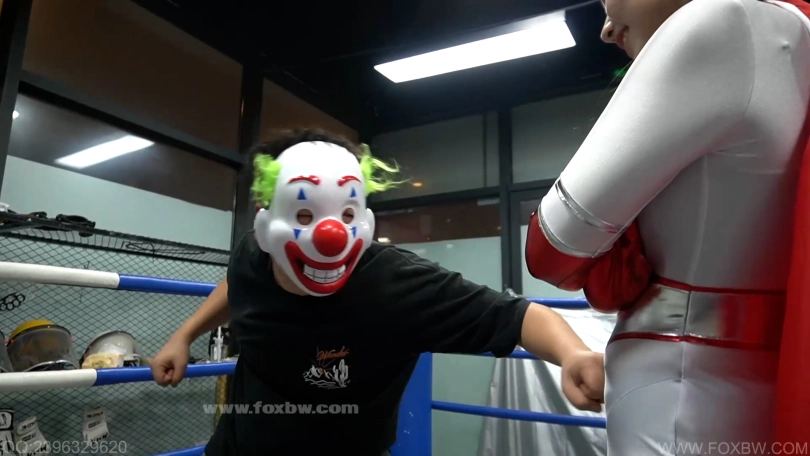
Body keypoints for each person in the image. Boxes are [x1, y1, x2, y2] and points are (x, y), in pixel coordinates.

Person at [150, 128, 606, 456]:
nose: (331, 235)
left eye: (348, 215)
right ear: (265, 220)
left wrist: (572, 354)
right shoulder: (253, 253)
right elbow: (238, 284)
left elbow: (521, 316)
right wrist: (184, 335)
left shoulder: (397, 283)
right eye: (304, 216)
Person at [525, 0, 810, 453]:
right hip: (763, 381)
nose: (605, 29)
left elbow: (552, 248)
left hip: (679, 389)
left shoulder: (721, 22)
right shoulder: (797, 29)